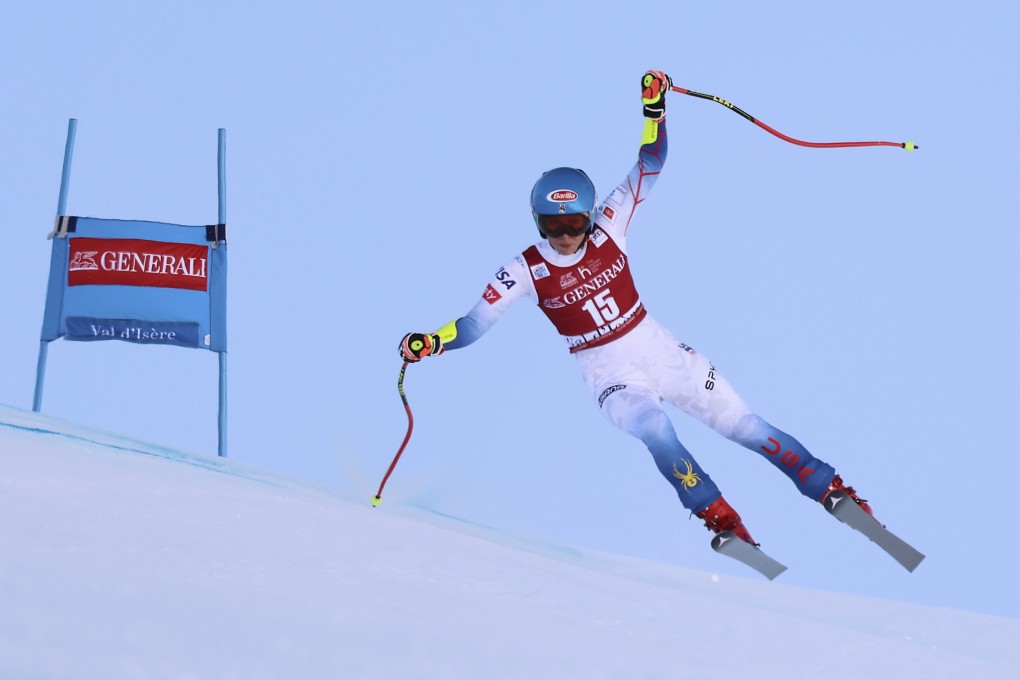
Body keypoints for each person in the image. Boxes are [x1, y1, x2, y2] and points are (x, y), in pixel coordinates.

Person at [399, 70, 872, 546]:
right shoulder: (524, 268)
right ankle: (718, 514)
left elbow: (651, 160)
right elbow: (473, 325)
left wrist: (654, 111)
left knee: (745, 426)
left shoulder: (610, 225)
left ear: (589, 216)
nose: (565, 236)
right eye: (552, 226)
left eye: (574, 223)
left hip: (659, 349)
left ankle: (827, 487)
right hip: (609, 375)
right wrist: (432, 342)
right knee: (656, 429)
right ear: (537, 224)